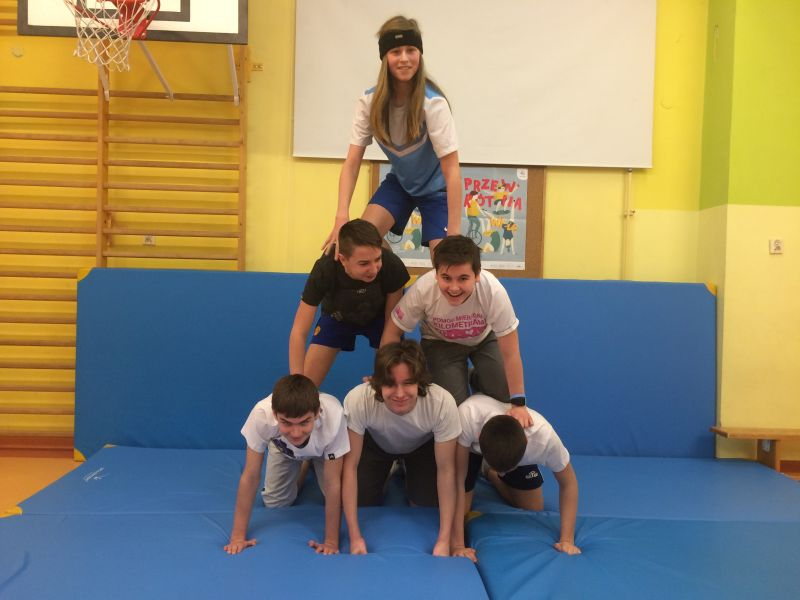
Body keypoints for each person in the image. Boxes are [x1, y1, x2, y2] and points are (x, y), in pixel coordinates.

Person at [323, 15, 461, 257]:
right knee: (358, 245)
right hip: (401, 184)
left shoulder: (433, 104)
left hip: (438, 190)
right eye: (396, 51)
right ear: (385, 57)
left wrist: (454, 234)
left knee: (446, 261)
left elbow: (451, 171)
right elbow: (352, 163)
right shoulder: (369, 102)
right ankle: (393, 275)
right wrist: (341, 217)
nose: (404, 58)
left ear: (419, 54)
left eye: (411, 50)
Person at [381, 234, 532, 427]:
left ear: (477, 275)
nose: (454, 288)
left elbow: (511, 353)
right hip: (440, 343)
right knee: (453, 410)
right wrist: (383, 375)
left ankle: (477, 376)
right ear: (436, 274)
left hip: (483, 339)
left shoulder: (493, 291)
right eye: (446, 278)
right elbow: (392, 332)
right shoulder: (422, 290)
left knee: (503, 393)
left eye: (463, 278)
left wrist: (518, 404)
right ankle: (459, 375)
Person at [342, 340, 461, 556]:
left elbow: (447, 470)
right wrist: (355, 537)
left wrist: (444, 540)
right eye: (390, 384)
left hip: (421, 447)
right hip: (376, 444)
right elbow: (349, 467)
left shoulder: (441, 403)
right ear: (377, 383)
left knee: (425, 504)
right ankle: (390, 468)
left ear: (420, 382)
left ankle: (406, 468)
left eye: (407, 383)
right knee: (362, 502)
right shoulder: (359, 399)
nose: (399, 394)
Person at [224, 374, 349, 556]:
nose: (296, 433)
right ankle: (304, 464)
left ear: (317, 413)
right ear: (275, 415)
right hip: (285, 449)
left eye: (304, 422)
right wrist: (237, 537)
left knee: (340, 499)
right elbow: (250, 476)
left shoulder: (334, 415)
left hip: (324, 452)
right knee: (275, 502)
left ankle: (310, 461)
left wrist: (331, 541)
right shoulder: (262, 414)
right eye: (286, 423)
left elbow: (332, 482)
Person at [451, 393, 580, 561]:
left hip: (510, 450)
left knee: (533, 506)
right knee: (460, 512)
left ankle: (489, 472)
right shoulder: (468, 415)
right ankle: (482, 466)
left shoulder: (544, 439)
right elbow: (458, 480)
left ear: (526, 442)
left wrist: (567, 540)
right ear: (479, 435)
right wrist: (458, 545)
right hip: (472, 448)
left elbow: (568, 483)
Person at [290, 218, 410, 387]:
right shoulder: (325, 269)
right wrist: (296, 383)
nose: (373, 269)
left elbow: (391, 329)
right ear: (342, 259)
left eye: (377, 259)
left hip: (380, 318)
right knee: (305, 386)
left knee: (390, 382)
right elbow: (299, 331)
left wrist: (383, 373)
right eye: (364, 263)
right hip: (337, 316)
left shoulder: (392, 266)